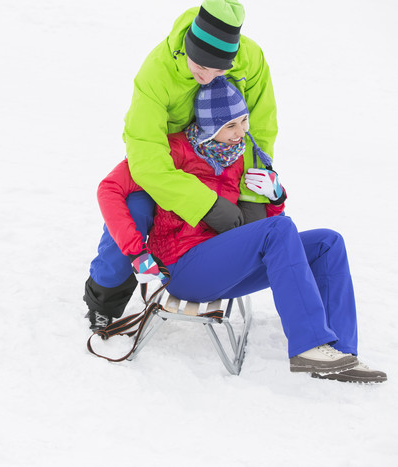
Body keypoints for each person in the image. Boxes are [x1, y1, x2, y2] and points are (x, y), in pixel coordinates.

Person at [92, 76, 386, 383]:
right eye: (231, 125)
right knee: (279, 229)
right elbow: (109, 189)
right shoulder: (173, 151)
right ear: (208, 126)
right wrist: (134, 250)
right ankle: (308, 345)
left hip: (226, 265)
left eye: (244, 121)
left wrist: (274, 198)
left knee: (328, 242)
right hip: (184, 267)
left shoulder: (238, 156)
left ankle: (340, 353)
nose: (241, 132)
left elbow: (258, 229)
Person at [85, 0, 277, 330]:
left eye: (220, 71)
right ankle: (105, 297)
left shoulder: (251, 58)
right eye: (202, 67)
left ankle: (194, 272)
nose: (209, 78)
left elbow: (258, 128)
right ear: (189, 43)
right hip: (166, 163)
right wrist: (205, 204)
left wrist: (253, 196)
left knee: (224, 227)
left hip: (216, 161)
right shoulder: (156, 72)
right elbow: (145, 153)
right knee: (136, 211)